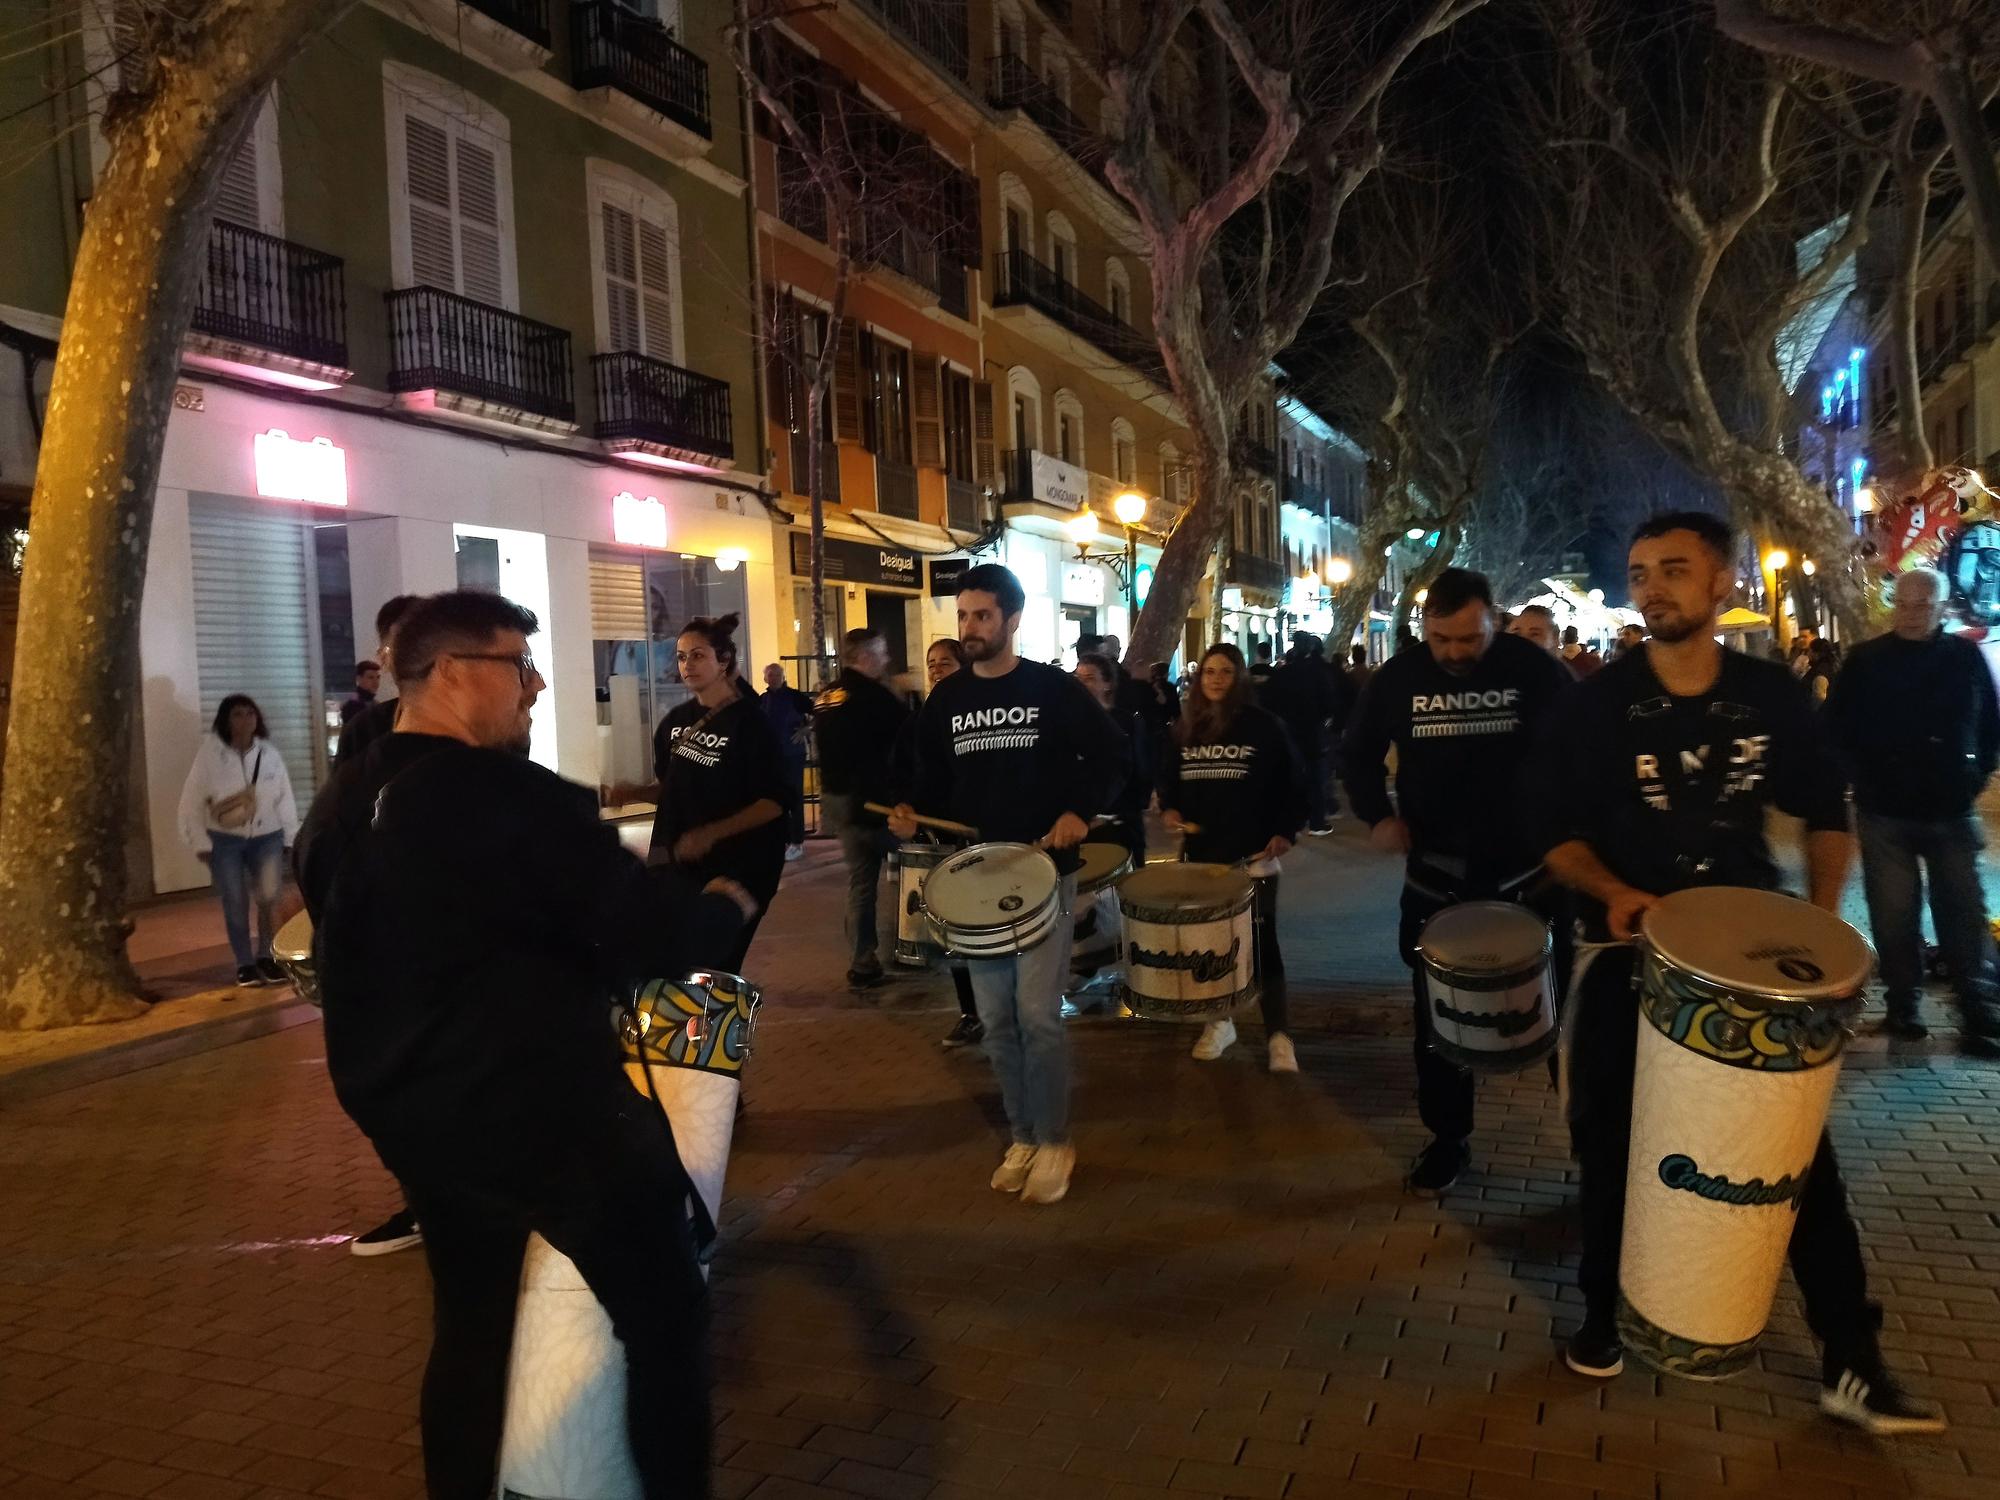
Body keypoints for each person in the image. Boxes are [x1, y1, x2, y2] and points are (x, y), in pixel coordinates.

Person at [296, 589, 757, 1499]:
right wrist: (717, 912)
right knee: (666, 1312)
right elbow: (641, 934)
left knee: (470, 1323)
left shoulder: (349, 792)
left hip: (414, 1115)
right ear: (457, 672)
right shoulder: (508, 795)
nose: (537, 687)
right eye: (520, 666)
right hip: (546, 1113)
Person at [1535, 511, 1944, 1434]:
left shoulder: (1771, 696)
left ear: (1722, 585)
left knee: (1796, 1161)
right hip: (1624, 956)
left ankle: (1853, 1362)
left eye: (1674, 570)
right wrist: (1613, 889)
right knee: (1613, 1146)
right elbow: (1555, 834)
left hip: (1748, 966)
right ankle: (1605, 1314)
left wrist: (1821, 916)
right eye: (1640, 572)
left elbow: (1824, 810)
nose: (1652, 588)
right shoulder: (1595, 705)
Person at [891, 564, 1127, 1206]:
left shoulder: (1052, 689)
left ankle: (1055, 1140)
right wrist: (911, 807)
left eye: (983, 616)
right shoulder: (947, 699)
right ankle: (1023, 1134)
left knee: (1037, 1019)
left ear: (1013, 619)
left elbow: (1113, 755)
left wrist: (1079, 810)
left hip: (1045, 873)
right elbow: (930, 775)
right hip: (976, 880)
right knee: (995, 1022)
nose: (969, 628)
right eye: (963, 615)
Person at [1340, 567, 1574, 1195]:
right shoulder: (1399, 677)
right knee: (1438, 1022)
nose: (1453, 653)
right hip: (1438, 879)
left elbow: (1582, 751)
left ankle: (1590, 1142)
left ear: (1492, 619)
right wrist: (1377, 816)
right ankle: (1448, 1139)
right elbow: (1356, 753)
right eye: (1440, 639)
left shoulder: (1534, 670)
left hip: (1532, 875)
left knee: (1560, 1017)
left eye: (1469, 639)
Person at [1826, 566, 2000, 1052]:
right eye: (1904, 604)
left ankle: (1976, 1010)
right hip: (1886, 812)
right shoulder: (1866, 661)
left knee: (1964, 910)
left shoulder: (1964, 658)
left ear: (1942, 608)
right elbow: (1835, 729)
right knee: (1893, 913)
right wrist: (1862, 778)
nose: (1912, 613)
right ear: (1893, 605)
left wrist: (1973, 778)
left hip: (1951, 808)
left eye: (1924, 605)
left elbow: (1989, 726)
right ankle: (1904, 1007)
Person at [1159, 643, 1306, 1071]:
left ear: (1239, 677)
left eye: (1226, 672)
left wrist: (1284, 832)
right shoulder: (1185, 728)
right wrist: (1170, 809)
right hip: (1202, 861)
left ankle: (1279, 1035)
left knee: (1263, 947)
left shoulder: (1264, 727)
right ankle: (1219, 1022)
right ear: (1199, 679)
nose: (1217, 679)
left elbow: (1293, 784)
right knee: (1209, 947)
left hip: (1254, 858)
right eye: (1209, 672)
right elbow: (1168, 781)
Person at [637, 615, 789, 975]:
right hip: (680, 866)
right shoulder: (675, 720)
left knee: (714, 970)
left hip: (741, 867)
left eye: (698, 655)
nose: (687, 665)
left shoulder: (751, 724)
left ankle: (724, 1032)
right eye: (681, 656)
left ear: (724, 662)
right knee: (677, 968)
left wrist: (710, 834)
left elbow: (774, 801)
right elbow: (674, 789)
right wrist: (632, 792)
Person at [177, 694, 301, 989]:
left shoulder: (268, 754)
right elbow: (191, 802)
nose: (244, 719)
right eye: (237, 714)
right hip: (226, 840)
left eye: (249, 713)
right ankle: (244, 963)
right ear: (225, 719)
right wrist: (199, 842)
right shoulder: (210, 755)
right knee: (235, 901)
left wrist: (290, 835)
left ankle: (266, 957)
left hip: (267, 836)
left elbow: (285, 797)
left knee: (269, 898)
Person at [814, 628, 913, 990]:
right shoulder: (874, 696)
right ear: (867, 656)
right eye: (883, 652)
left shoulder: (827, 696)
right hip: (873, 803)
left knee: (861, 881)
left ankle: (863, 959)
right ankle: (915, 944)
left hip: (838, 800)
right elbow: (909, 738)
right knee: (920, 866)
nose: (887, 660)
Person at [906, 638, 983, 1050]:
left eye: (946, 662)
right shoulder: (924, 715)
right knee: (952, 929)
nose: (937, 669)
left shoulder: (972, 710)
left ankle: (993, 1008)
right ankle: (971, 1012)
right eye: (932, 663)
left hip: (975, 833)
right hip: (938, 836)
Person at [1261, 632, 1352, 834]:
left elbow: (1267, 700)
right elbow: (1330, 701)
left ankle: (1292, 820)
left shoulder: (1284, 674)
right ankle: (1316, 821)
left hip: (1288, 731)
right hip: (1312, 731)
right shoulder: (1318, 673)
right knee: (1316, 777)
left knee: (1291, 776)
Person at [1074, 651, 1149, 861]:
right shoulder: (1070, 725)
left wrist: (1118, 813)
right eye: (1078, 678)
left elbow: (1139, 772)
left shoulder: (1127, 723)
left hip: (1121, 827)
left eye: (1089, 678)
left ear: (1107, 684)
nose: (1081, 684)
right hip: (1083, 827)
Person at [336, 595, 420, 768]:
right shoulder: (363, 728)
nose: (420, 657)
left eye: (429, 645)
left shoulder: (469, 726)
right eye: (404, 647)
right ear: (384, 658)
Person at [758, 663, 814, 861]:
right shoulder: (762, 700)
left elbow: (818, 712)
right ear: (765, 678)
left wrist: (806, 730)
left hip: (792, 756)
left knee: (794, 798)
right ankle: (781, 838)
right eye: (770, 674)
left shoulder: (796, 697)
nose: (773, 677)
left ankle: (797, 842)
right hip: (771, 759)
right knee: (774, 799)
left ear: (783, 676)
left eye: (777, 674)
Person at [1144, 661, 1182, 736]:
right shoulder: (1170, 687)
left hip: (1148, 727)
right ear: (1166, 674)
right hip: (1164, 725)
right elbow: (1175, 709)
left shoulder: (1146, 687)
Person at [1802, 636, 1839, 704]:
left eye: (1809, 650)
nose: (1807, 653)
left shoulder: (1821, 671)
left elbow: (1819, 697)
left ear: (1816, 653)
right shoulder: (1830, 666)